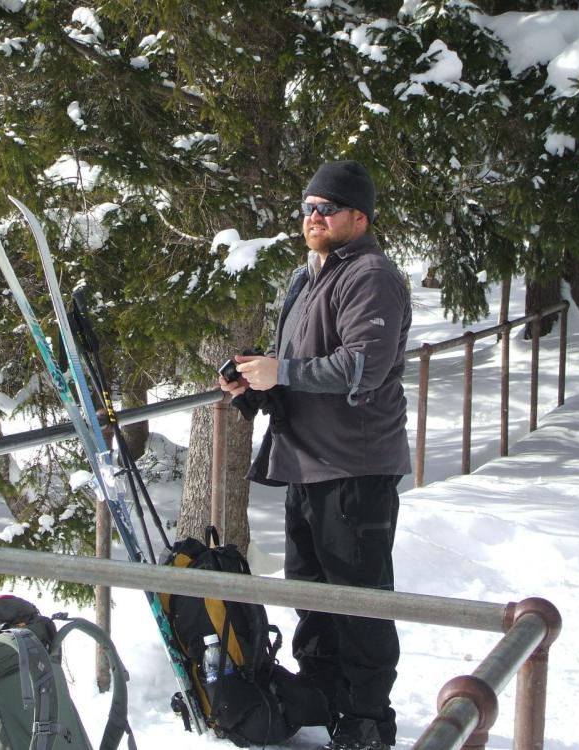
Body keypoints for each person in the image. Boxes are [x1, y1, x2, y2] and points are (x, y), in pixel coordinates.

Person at [219, 160, 411, 750]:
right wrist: (258, 378)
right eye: (307, 207)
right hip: (306, 462)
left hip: (354, 467)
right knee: (311, 594)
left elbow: (362, 366)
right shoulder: (308, 279)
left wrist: (284, 370)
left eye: (326, 209)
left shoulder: (370, 275)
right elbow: (299, 366)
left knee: (357, 599)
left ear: (359, 217)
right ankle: (324, 699)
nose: (313, 218)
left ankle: (367, 719)